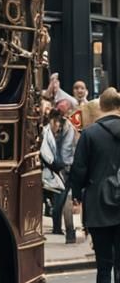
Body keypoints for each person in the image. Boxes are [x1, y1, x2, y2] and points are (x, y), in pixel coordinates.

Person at [68, 86, 120, 283]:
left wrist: (77, 196)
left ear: (102, 107)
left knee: (104, 265)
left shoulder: (90, 134)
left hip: (99, 204)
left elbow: (78, 170)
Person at [48, 100, 78, 242]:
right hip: (65, 166)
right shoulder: (68, 126)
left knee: (57, 196)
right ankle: (70, 232)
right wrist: (66, 166)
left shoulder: (49, 125)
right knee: (66, 198)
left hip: (52, 165)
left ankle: (56, 227)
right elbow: (67, 148)